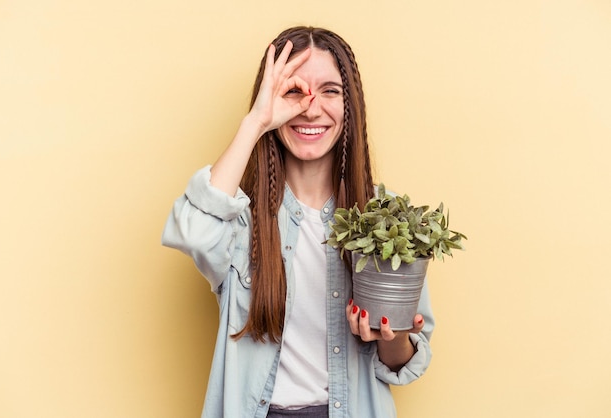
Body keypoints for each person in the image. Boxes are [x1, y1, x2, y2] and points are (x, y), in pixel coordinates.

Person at [162, 26, 434, 418]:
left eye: (329, 91)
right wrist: (256, 122)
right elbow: (192, 231)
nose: (310, 109)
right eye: (293, 92)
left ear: (350, 105)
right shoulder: (240, 220)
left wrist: (394, 336)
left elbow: (401, 363)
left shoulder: (385, 219)